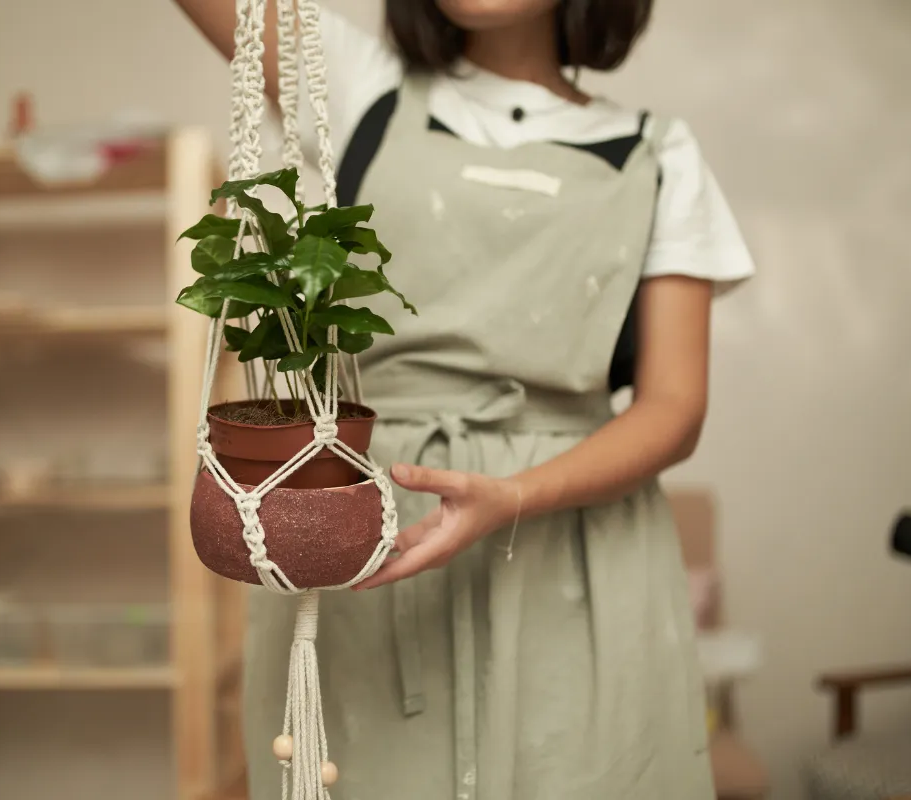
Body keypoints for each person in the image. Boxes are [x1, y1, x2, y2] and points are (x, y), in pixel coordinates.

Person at [173, 1, 755, 798]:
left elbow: (673, 407)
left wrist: (513, 494)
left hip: (574, 556)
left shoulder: (659, 153)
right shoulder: (362, 85)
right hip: (374, 536)